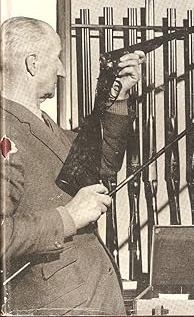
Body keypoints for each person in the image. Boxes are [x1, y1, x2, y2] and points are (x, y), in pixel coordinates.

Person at [0, 16, 145, 315]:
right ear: (32, 63)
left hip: (88, 299)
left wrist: (118, 96)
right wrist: (68, 217)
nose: (63, 71)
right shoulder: (5, 131)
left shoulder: (41, 124)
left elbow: (100, 167)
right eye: (57, 59)